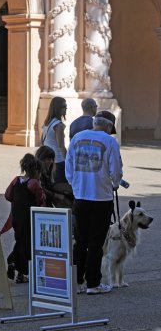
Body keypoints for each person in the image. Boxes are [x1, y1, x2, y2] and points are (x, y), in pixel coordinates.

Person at [65, 111, 123, 295]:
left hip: (80, 197)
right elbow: (116, 169)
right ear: (107, 126)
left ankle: (76, 282)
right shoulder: (109, 141)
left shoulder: (77, 138)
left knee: (80, 241)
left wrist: (76, 186)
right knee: (96, 243)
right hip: (101, 197)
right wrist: (114, 184)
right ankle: (93, 283)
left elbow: (69, 166)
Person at [5, 153, 46, 283]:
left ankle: (19, 272)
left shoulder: (16, 180)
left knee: (20, 240)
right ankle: (14, 262)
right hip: (29, 216)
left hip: (16, 215)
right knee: (27, 243)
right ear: (37, 170)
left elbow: (7, 195)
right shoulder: (34, 183)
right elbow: (40, 200)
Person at [35, 145, 74, 209]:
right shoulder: (37, 173)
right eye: (48, 159)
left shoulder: (47, 172)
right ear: (41, 158)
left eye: (52, 159)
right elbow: (41, 189)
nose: (51, 161)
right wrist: (57, 195)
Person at [41, 97, 67, 183]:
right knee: (61, 186)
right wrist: (68, 160)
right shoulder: (58, 125)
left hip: (48, 159)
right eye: (63, 107)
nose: (65, 109)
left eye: (66, 106)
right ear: (57, 108)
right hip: (58, 160)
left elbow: (42, 141)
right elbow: (61, 146)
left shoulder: (47, 123)